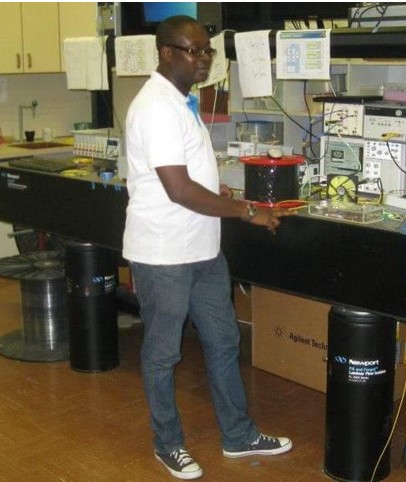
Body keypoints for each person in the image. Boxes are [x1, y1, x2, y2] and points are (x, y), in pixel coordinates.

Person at [122, 15, 293, 480]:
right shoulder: (156, 106)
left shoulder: (182, 101)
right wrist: (245, 212)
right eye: (193, 50)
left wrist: (219, 193)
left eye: (207, 50)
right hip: (163, 253)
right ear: (166, 53)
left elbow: (187, 176)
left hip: (201, 248)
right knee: (163, 353)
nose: (203, 59)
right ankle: (168, 445)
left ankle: (238, 436)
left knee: (223, 341)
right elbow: (178, 189)